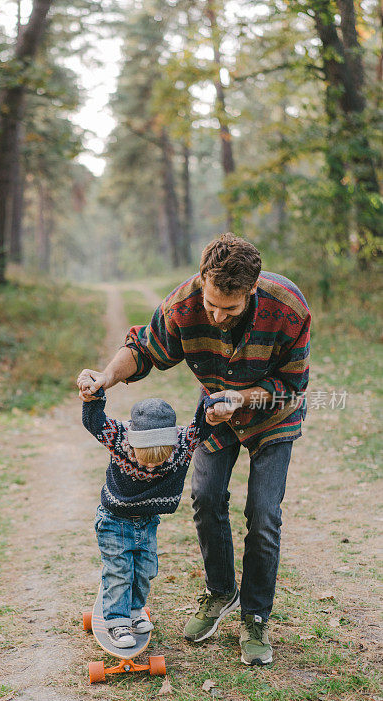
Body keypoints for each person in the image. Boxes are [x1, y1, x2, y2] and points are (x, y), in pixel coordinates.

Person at [77, 233, 310, 666]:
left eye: (231, 308)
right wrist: (105, 378)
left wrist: (243, 398)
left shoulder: (289, 308)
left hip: (273, 417)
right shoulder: (183, 305)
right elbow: (144, 349)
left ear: (252, 291)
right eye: (212, 304)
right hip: (214, 416)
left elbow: (292, 385)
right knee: (204, 497)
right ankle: (220, 592)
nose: (219, 316)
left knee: (263, 513)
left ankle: (254, 616)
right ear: (203, 280)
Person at [80, 386, 231, 647]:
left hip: (147, 523)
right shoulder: (120, 439)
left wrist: (211, 404)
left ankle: (134, 612)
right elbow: (94, 422)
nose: (151, 466)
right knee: (120, 571)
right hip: (114, 521)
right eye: (145, 458)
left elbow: (202, 426)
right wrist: (93, 395)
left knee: (145, 571)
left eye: (158, 459)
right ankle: (117, 622)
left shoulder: (181, 445)